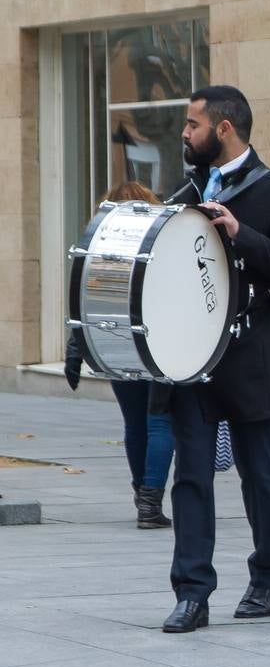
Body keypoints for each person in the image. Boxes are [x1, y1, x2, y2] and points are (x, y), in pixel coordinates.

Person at [160, 85, 270, 632]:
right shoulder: (183, 191)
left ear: (223, 128)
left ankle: (266, 577)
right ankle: (192, 593)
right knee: (192, 477)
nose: (186, 133)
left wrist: (239, 231)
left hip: (250, 353)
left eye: (192, 124)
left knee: (259, 474)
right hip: (192, 358)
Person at [64, 180, 176, 529]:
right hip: (160, 344)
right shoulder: (163, 243)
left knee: (134, 424)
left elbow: (85, 302)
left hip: (114, 344)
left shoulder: (103, 250)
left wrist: (75, 349)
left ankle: (142, 498)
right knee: (160, 421)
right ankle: (150, 504)